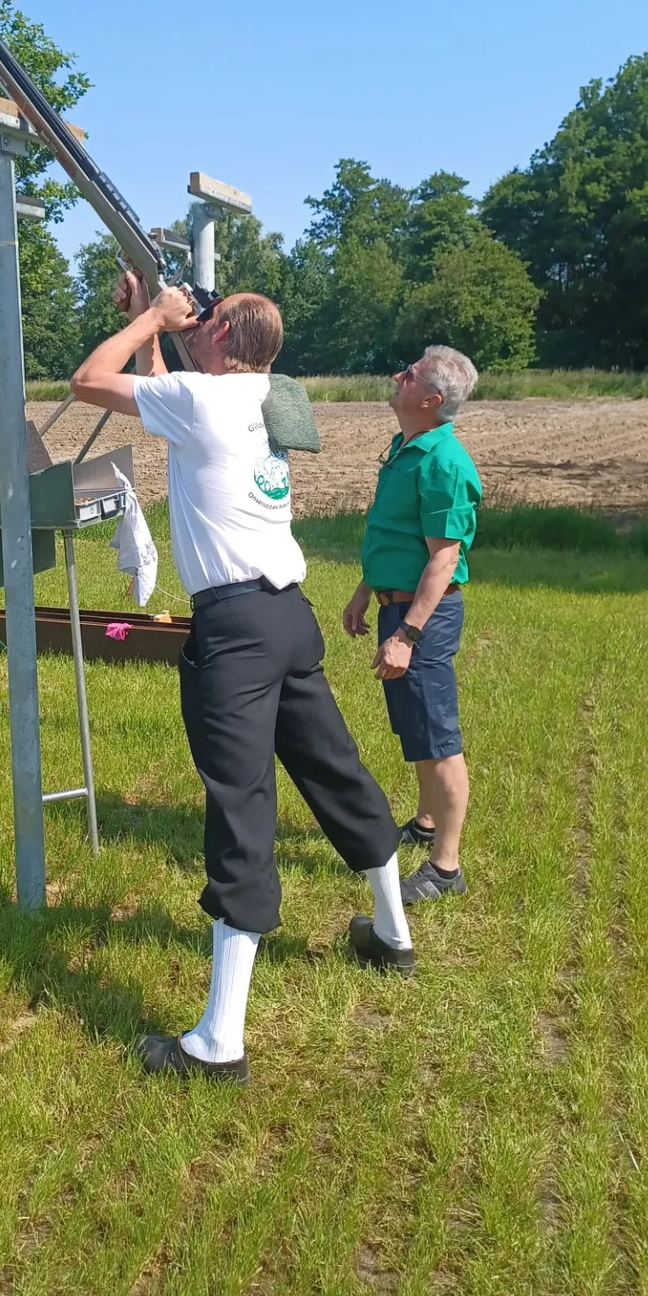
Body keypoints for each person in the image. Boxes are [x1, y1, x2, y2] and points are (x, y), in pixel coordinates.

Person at [72, 275, 413, 1085]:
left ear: (223, 339)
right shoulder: (261, 397)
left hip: (235, 630)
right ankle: (393, 935)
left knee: (239, 807)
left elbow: (89, 381)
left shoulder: (205, 399)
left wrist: (152, 317)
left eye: (206, 320)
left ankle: (219, 1040)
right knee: (336, 769)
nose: (197, 324)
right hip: (288, 615)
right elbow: (165, 390)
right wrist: (151, 324)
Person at [342, 346, 482, 905]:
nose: (398, 375)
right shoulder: (406, 449)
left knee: (439, 736)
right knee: (416, 727)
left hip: (423, 616)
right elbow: (394, 536)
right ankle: (426, 823)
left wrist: (408, 635)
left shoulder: (445, 463)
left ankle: (446, 867)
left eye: (412, 373)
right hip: (395, 606)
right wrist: (364, 591)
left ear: (431, 399)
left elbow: (442, 560)